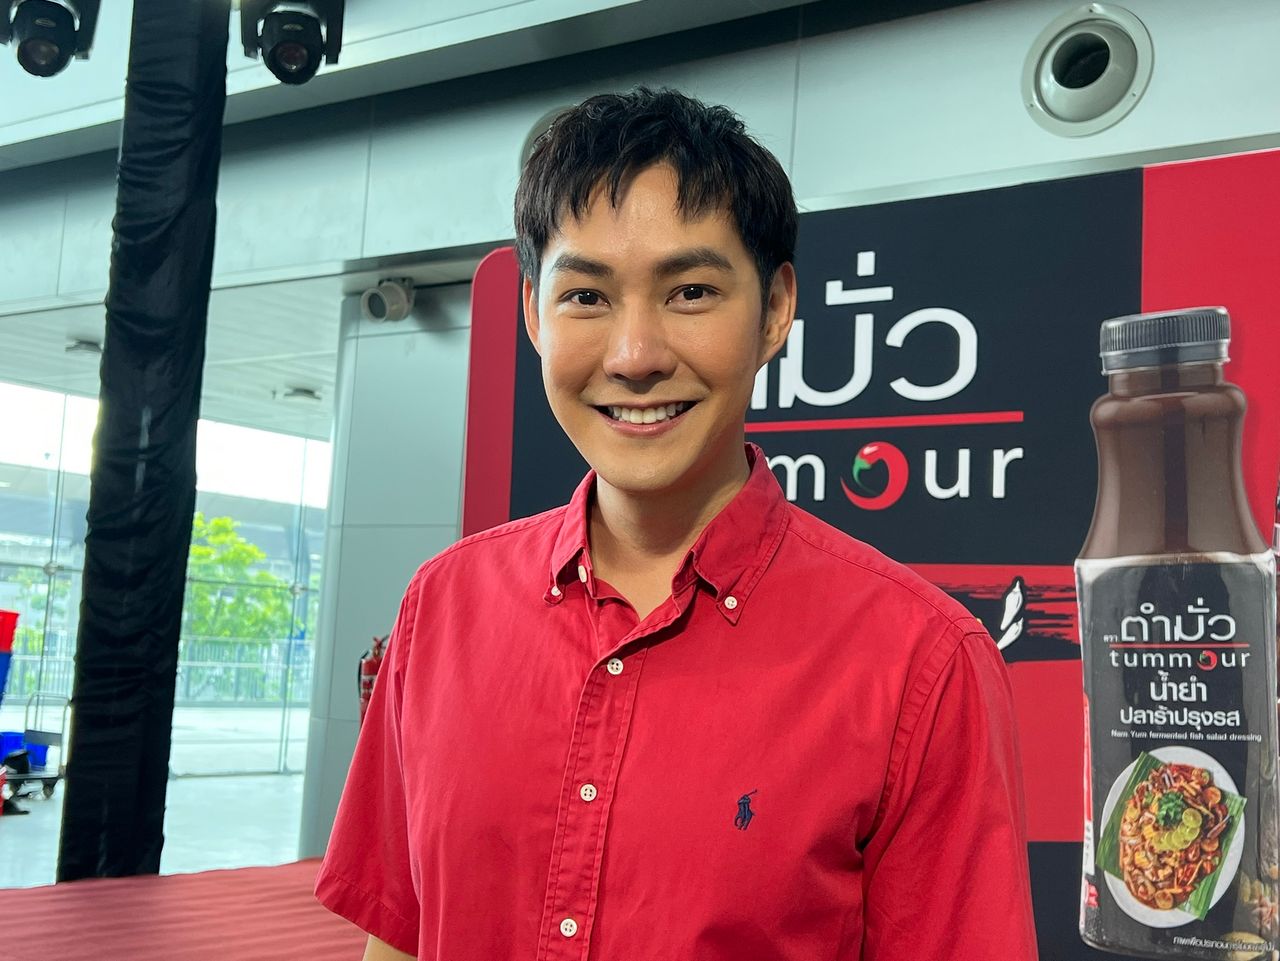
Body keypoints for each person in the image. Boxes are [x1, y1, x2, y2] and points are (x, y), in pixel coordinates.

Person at [316, 87, 1039, 961]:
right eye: (586, 296)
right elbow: (397, 936)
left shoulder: (921, 663)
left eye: (691, 291)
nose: (635, 356)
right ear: (534, 314)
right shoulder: (443, 605)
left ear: (775, 309)